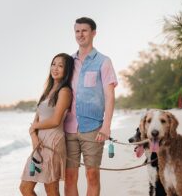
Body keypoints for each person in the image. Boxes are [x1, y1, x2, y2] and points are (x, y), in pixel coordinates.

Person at [64, 17, 118, 196]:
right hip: (68, 128)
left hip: (93, 129)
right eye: (77, 31)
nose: (80, 34)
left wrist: (106, 126)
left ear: (93, 33)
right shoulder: (68, 62)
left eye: (84, 31)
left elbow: (110, 96)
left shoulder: (103, 61)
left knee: (92, 175)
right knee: (70, 176)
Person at [20, 53, 74, 196]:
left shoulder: (65, 91)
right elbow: (36, 119)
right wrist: (34, 137)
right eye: (53, 64)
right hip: (39, 143)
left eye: (60, 66)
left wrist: (34, 127)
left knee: (51, 190)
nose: (55, 68)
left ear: (67, 70)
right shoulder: (47, 91)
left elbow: (56, 120)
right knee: (25, 188)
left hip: (53, 142)